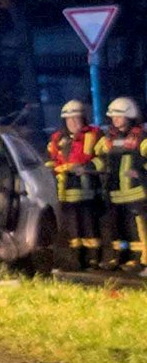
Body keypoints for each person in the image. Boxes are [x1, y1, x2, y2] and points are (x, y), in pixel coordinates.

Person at [48, 100, 103, 271]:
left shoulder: (94, 135)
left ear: (83, 118)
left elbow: (103, 160)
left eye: (75, 118)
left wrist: (86, 167)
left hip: (87, 190)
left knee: (89, 226)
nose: (72, 122)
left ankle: (93, 258)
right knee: (71, 229)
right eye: (68, 119)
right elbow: (52, 160)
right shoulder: (57, 138)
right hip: (64, 191)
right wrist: (51, 170)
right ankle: (75, 259)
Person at [96, 97, 147, 270]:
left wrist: (140, 173)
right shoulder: (109, 139)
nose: (115, 120)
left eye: (119, 116)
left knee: (136, 229)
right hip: (115, 192)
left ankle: (139, 259)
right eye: (113, 116)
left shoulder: (141, 138)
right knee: (119, 228)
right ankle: (120, 256)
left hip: (135, 192)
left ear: (129, 116)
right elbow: (99, 157)